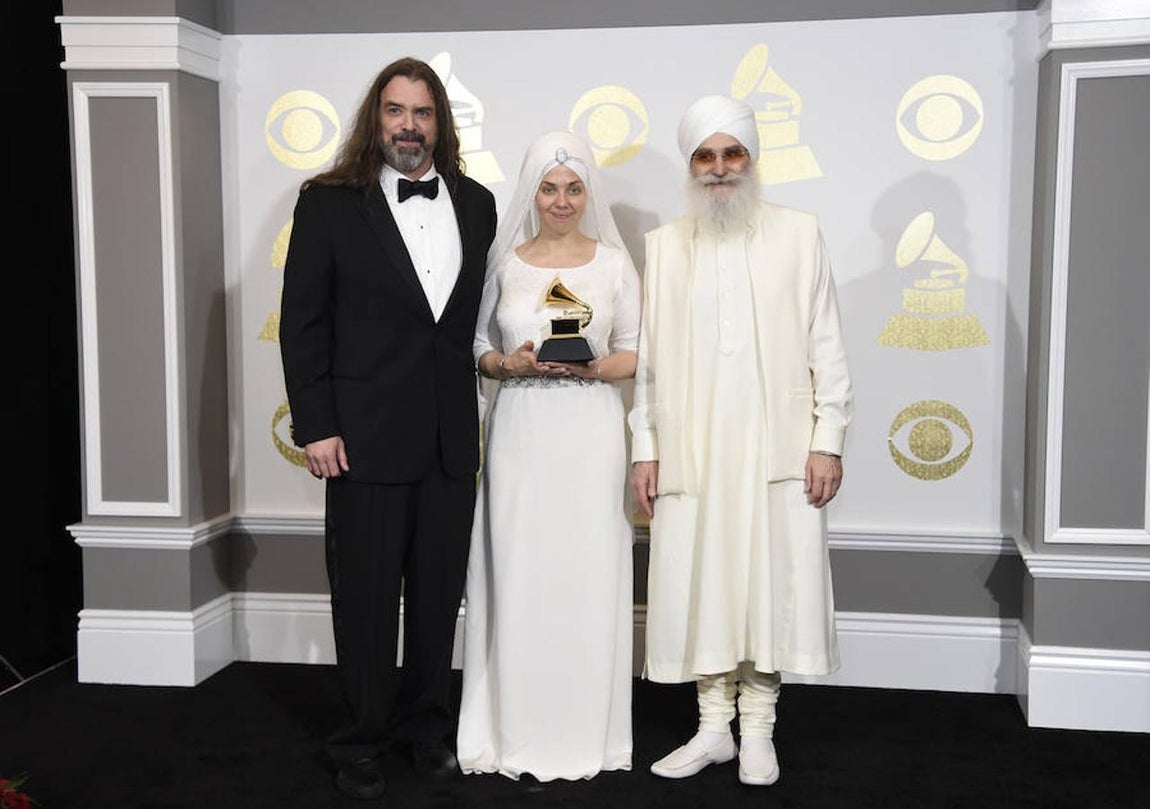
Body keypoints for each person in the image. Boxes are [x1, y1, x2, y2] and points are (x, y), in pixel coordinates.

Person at [278, 57, 496, 801]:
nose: (410, 125)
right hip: (362, 436)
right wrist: (316, 424)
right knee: (366, 599)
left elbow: (464, 324)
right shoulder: (328, 203)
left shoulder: (479, 204)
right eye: (397, 111)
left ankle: (424, 729)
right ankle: (360, 737)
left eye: (424, 112)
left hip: (447, 440)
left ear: (442, 123)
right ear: (377, 119)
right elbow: (303, 323)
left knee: (437, 598)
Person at [628, 95, 853, 787]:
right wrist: (646, 444)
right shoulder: (665, 246)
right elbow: (650, 361)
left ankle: (757, 728)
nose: (719, 168)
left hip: (776, 446)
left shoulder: (799, 232)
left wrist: (829, 438)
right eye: (705, 155)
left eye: (732, 154)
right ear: (690, 166)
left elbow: (828, 345)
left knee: (769, 585)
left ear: (751, 160)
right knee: (704, 583)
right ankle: (711, 728)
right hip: (694, 447)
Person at [456, 130, 640, 781]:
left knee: (586, 573)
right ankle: (513, 730)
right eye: (549, 188)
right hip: (521, 433)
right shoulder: (503, 264)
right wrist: (504, 363)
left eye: (573, 188)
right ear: (531, 192)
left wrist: (594, 371)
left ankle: (588, 730)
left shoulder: (615, 265)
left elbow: (633, 351)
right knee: (521, 570)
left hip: (591, 437)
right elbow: (477, 341)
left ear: (589, 192)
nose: (561, 201)